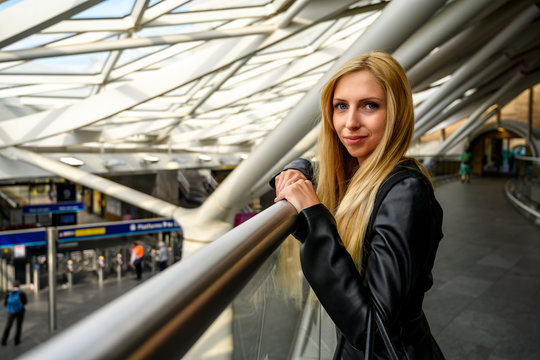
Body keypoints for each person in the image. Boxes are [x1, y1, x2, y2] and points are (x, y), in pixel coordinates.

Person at [271, 51, 445, 359]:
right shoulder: (361, 173)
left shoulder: (406, 192)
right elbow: (318, 165)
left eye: (369, 105)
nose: (350, 123)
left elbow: (373, 330)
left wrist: (315, 221)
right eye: (341, 106)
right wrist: (297, 169)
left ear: (396, 113)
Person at [2, 280, 27, 346]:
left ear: (13, 286)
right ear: (19, 286)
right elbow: (25, 302)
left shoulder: (8, 294)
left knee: (8, 326)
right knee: (18, 326)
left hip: (10, 312)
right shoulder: (21, 293)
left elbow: (5, 304)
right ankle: (17, 341)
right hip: (20, 312)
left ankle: (4, 340)